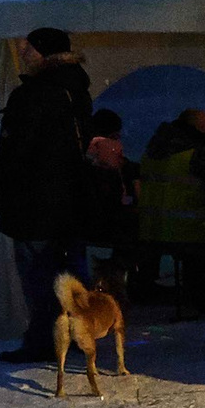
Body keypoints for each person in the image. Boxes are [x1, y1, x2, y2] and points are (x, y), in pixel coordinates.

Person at [0, 27, 94, 364]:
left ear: (44, 52)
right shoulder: (76, 87)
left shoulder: (34, 94)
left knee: (40, 274)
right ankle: (80, 333)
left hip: (36, 202)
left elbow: (20, 151)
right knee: (71, 271)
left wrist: (1, 177)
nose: (23, 52)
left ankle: (45, 340)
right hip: (72, 197)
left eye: (29, 48)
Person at [136, 108, 205, 314]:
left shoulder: (155, 146)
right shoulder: (196, 152)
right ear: (198, 129)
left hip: (153, 229)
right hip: (191, 229)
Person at [78, 108, 140, 280]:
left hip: (87, 220)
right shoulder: (116, 163)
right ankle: (130, 279)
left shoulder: (82, 157)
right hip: (108, 220)